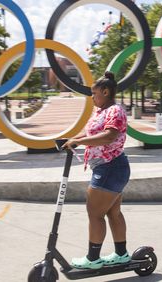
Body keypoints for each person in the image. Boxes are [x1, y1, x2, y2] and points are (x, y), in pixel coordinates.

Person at [62, 71, 131, 269]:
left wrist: (79, 142)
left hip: (110, 167)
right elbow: (90, 133)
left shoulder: (115, 111)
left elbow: (109, 136)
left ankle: (93, 259)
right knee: (113, 213)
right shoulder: (101, 111)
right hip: (110, 167)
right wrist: (72, 139)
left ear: (106, 91)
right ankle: (121, 254)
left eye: (94, 93)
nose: (92, 97)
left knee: (94, 213)